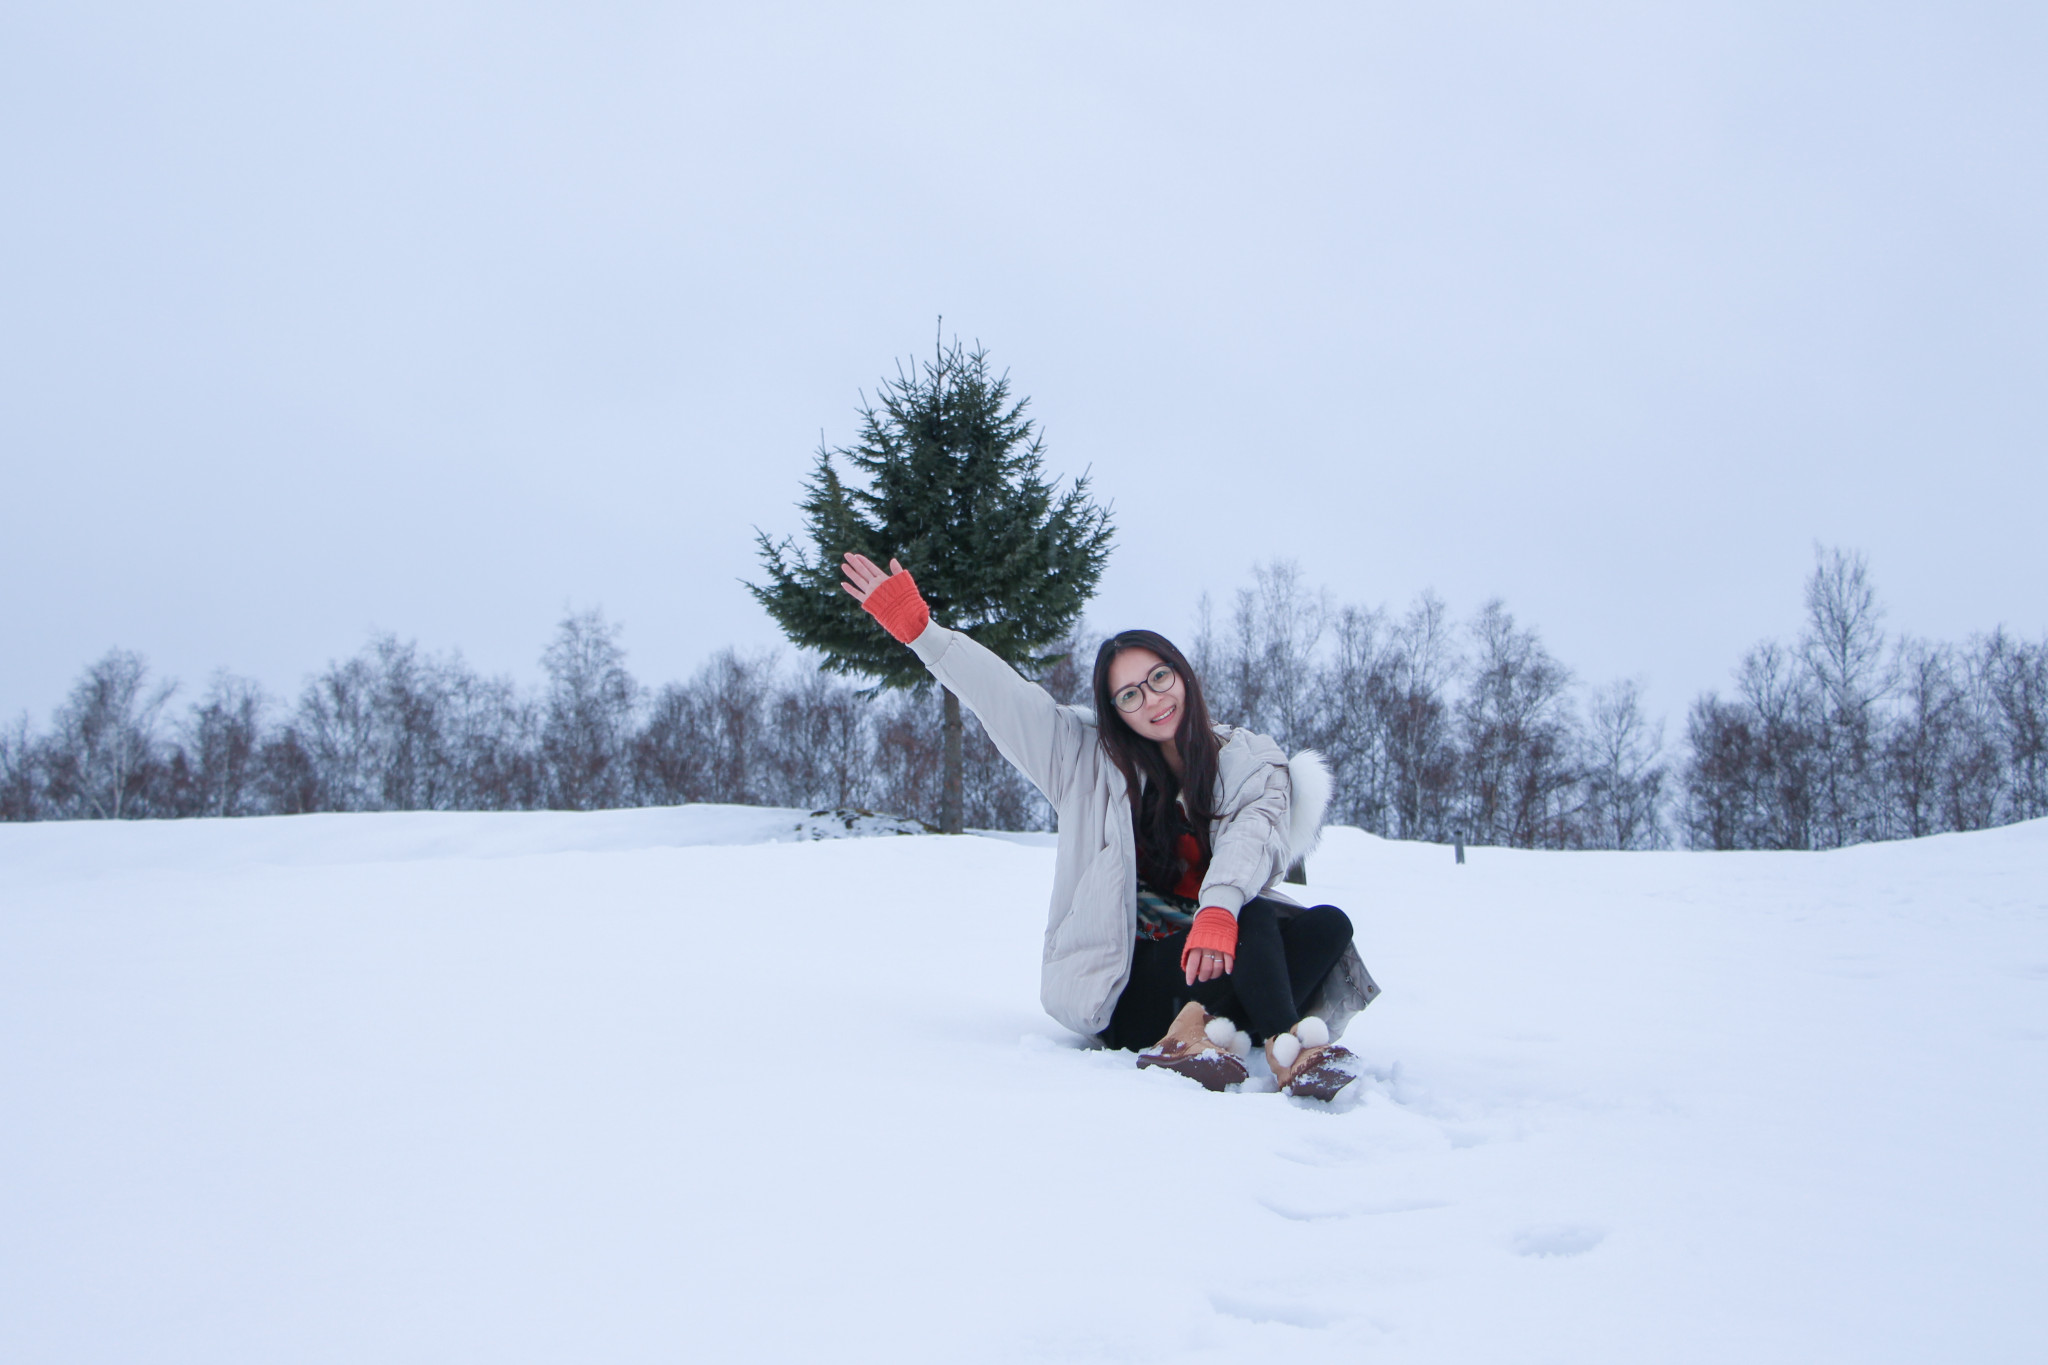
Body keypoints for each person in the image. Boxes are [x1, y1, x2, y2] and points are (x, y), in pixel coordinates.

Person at [840, 552, 1379, 1098]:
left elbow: (1253, 833)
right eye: (1130, 695)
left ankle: (1204, 1034)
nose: (1153, 699)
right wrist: (925, 634)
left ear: (1182, 674)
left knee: (1328, 926)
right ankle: (1291, 1048)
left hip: (1214, 955)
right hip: (1126, 983)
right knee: (1256, 921)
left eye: (1159, 677)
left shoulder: (1249, 761)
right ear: (1116, 710)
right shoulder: (1083, 759)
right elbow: (1008, 703)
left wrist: (1218, 908)